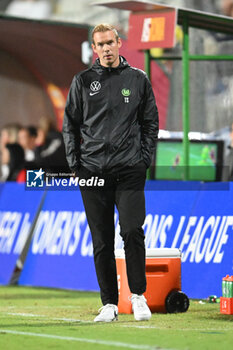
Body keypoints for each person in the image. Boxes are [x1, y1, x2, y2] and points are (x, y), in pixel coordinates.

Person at [63, 24, 159, 322]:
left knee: (132, 231)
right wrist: (75, 165)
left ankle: (139, 297)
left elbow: (150, 123)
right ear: (94, 49)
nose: (105, 48)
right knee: (101, 240)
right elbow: (70, 125)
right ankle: (109, 304)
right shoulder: (82, 81)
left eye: (109, 43)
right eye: (99, 44)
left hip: (129, 170)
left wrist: (143, 159)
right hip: (92, 172)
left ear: (119, 43)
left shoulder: (137, 80)